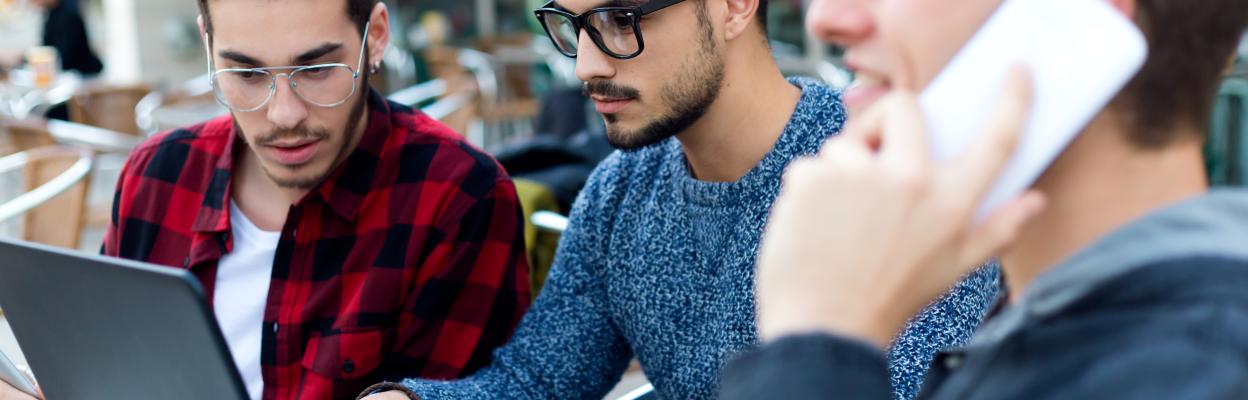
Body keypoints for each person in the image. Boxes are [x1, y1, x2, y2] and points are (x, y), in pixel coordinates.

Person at [362, 0, 999, 399]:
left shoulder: (889, 176)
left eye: (621, 21)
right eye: (574, 26)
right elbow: (540, 378)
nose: (585, 65)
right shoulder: (618, 192)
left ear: (735, 7)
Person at [0, 0, 532, 399]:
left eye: (317, 70)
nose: (284, 115)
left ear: (375, 37)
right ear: (207, 43)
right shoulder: (157, 174)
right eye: (247, 74)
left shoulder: (458, 197)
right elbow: (107, 364)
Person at [720, 0, 1248, 398]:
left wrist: (817, 343)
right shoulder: (1048, 331)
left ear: (1086, 16)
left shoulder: (1198, 374)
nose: (825, 19)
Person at [31, 0, 102, 77]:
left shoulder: (69, 12)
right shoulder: (51, 13)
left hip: (83, 73)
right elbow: (46, 46)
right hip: (68, 72)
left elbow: (67, 53)